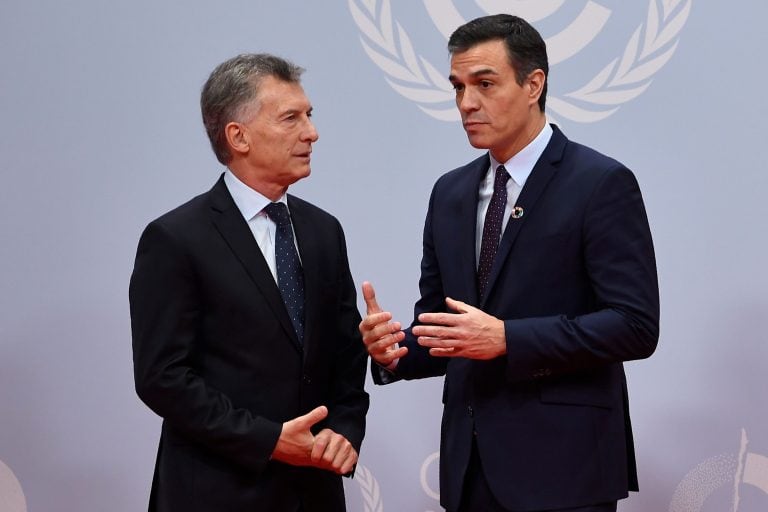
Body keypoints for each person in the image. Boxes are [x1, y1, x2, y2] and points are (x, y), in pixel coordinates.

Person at [359, 14, 659, 512]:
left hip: (567, 472)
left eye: (484, 84)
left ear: (533, 84)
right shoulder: (449, 192)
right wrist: (394, 351)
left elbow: (634, 326)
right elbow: (446, 326)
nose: (466, 103)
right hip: (468, 471)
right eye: (457, 87)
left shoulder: (600, 183)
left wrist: (507, 340)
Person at [129, 53, 369, 512]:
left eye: (310, 115)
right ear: (237, 136)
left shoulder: (323, 231)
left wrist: (344, 430)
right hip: (216, 491)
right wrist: (269, 440)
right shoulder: (176, 238)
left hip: (314, 491)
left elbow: (344, 353)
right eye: (291, 118)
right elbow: (162, 377)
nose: (311, 132)